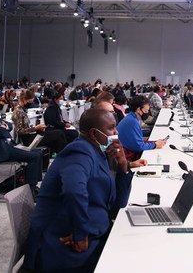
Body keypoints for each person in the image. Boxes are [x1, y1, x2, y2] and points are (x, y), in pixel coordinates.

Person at [23, 108, 143, 272]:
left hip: (95, 232)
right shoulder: (79, 151)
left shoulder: (100, 153)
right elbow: (73, 191)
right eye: (111, 128)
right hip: (65, 244)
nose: (116, 133)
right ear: (94, 133)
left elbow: (118, 204)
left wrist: (123, 165)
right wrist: (80, 235)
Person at [0, 86, 43, 191]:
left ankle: (33, 184)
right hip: (0, 149)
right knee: (34, 156)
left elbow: (8, 125)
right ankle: (31, 188)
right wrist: (4, 128)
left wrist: (5, 127)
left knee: (37, 153)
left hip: (7, 145)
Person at [13, 90, 67, 154]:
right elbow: (20, 131)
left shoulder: (21, 110)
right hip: (28, 139)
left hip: (31, 135)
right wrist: (36, 128)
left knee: (59, 134)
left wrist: (37, 128)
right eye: (30, 101)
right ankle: (63, 156)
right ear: (25, 99)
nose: (31, 103)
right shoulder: (18, 111)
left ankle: (60, 155)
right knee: (59, 133)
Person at [116, 95, 166, 161]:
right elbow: (138, 146)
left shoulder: (131, 117)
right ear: (139, 110)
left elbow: (138, 142)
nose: (147, 113)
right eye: (146, 111)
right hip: (128, 158)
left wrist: (154, 142)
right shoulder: (132, 121)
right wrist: (155, 145)